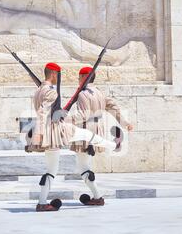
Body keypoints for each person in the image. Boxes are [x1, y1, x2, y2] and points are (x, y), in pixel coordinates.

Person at [27, 63, 122, 212]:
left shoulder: (39, 91)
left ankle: (42, 202)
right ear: (53, 74)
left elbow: (43, 111)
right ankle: (114, 145)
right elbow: (43, 112)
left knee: (53, 168)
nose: (58, 79)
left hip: (49, 130)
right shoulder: (51, 91)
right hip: (54, 130)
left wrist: (42, 130)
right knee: (84, 138)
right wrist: (42, 131)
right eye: (58, 76)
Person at [69, 67, 134, 206]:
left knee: (83, 167)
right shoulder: (99, 92)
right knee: (86, 165)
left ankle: (97, 197)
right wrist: (124, 123)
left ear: (83, 77)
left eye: (79, 77)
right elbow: (113, 107)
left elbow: (83, 115)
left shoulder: (83, 94)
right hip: (98, 130)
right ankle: (96, 196)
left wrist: (65, 119)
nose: (77, 80)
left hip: (86, 131)